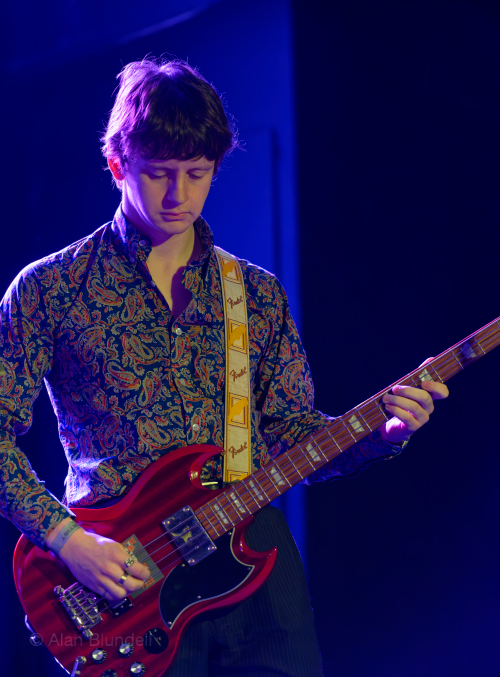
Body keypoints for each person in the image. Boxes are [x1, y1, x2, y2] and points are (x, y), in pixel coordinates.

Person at [0, 58, 448, 676]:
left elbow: (290, 435)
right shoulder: (49, 289)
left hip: (252, 560)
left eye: (197, 173)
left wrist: (381, 434)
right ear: (117, 165)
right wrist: (65, 539)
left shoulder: (254, 294)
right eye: (158, 173)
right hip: (126, 579)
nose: (178, 195)